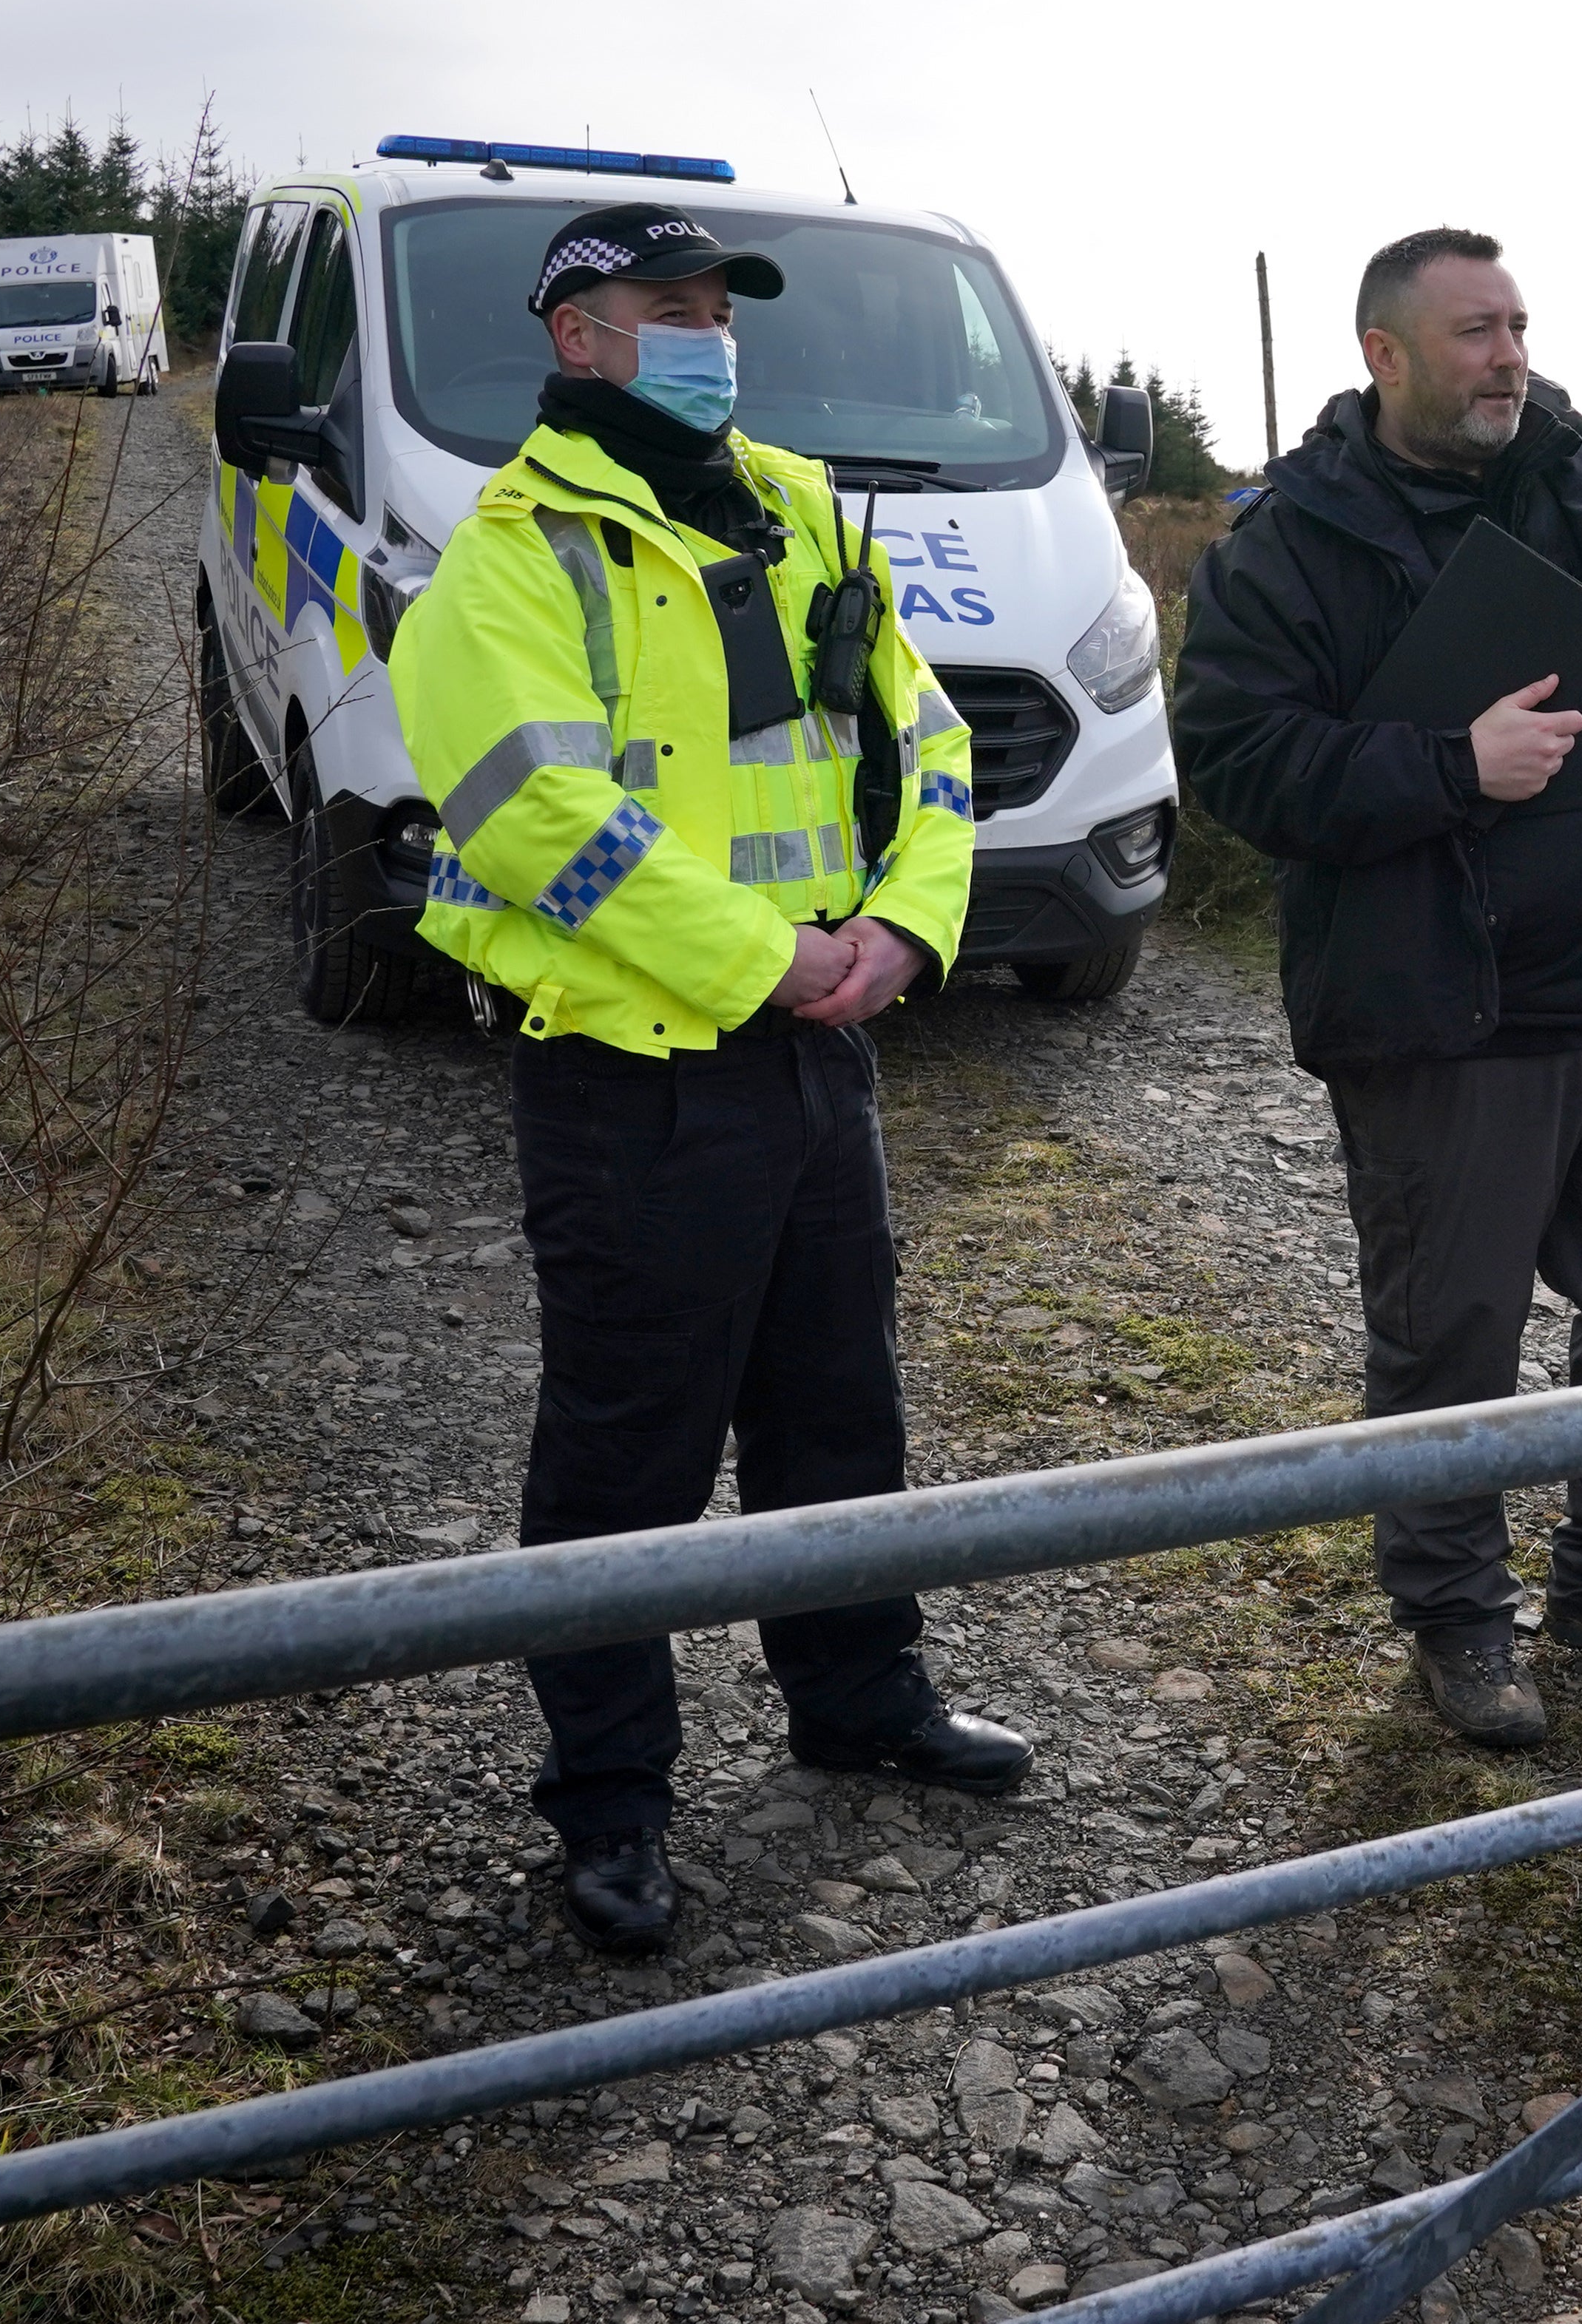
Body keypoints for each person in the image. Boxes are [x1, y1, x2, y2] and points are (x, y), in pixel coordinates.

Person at [391, 201, 1031, 1959]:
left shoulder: (805, 507)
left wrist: (903, 928)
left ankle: (858, 1690)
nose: (708, 334)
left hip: (822, 1063)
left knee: (840, 1404)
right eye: (670, 308)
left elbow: (934, 745)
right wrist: (770, 961)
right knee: (625, 1460)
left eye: (719, 309)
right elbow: (533, 816)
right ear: (577, 337)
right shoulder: (512, 555)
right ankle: (610, 1804)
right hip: (639, 1077)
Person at [1172, 226, 1582, 1747]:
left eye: (1517, 323)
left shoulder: (1574, 484)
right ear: (1384, 353)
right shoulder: (1295, 541)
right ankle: (1456, 1619)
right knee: (1450, 1338)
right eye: (1474, 332)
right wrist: (1455, 767)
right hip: (1444, 1016)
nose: (1511, 353)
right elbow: (1240, 764)